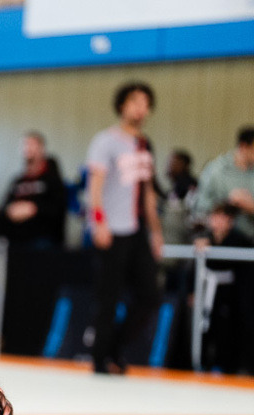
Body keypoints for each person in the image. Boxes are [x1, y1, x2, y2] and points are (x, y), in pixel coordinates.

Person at [85, 82, 164, 375]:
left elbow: (148, 194)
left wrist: (156, 232)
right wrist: (99, 221)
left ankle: (116, 347)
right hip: (112, 229)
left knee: (149, 296)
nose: (140, 108)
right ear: (122, 105)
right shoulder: (106, 141)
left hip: (137, 231)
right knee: (109, 296)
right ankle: (100, 358)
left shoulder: (144, 145)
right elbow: (94, 186)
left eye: (145, 102)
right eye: (134, 101)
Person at [192, 203, 253, 373]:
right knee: (204, 327)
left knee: (228, 331)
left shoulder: (239, 240)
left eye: (222, 217)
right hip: (208, 292)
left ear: (230, 221)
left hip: (231, 294)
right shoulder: (205, 238)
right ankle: (202, 363)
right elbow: (196, 268)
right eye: (215, 217)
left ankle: (227, 366)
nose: (217, 222)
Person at [0, 131, 67, 249]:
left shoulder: (52, 179)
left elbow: (58, 208)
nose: (28, 148)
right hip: (16, 240)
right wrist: (10, 211)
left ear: (42, 149)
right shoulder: (18, 181)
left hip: (43, 241)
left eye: (32, 145)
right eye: (25, 145)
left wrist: (33, 208)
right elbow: (4, 206)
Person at [194, 126, 254, 240]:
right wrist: (226, 204)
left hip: (250, 245)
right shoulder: (216, 170)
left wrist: (251, 207)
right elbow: (199, 209)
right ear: (243, 146)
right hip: (220, 244)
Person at [160, 149, 198, 245]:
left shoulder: (188, 184)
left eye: (172, 162)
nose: (168, 166)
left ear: (183, 165)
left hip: (182, 238)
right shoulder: (176, 184)